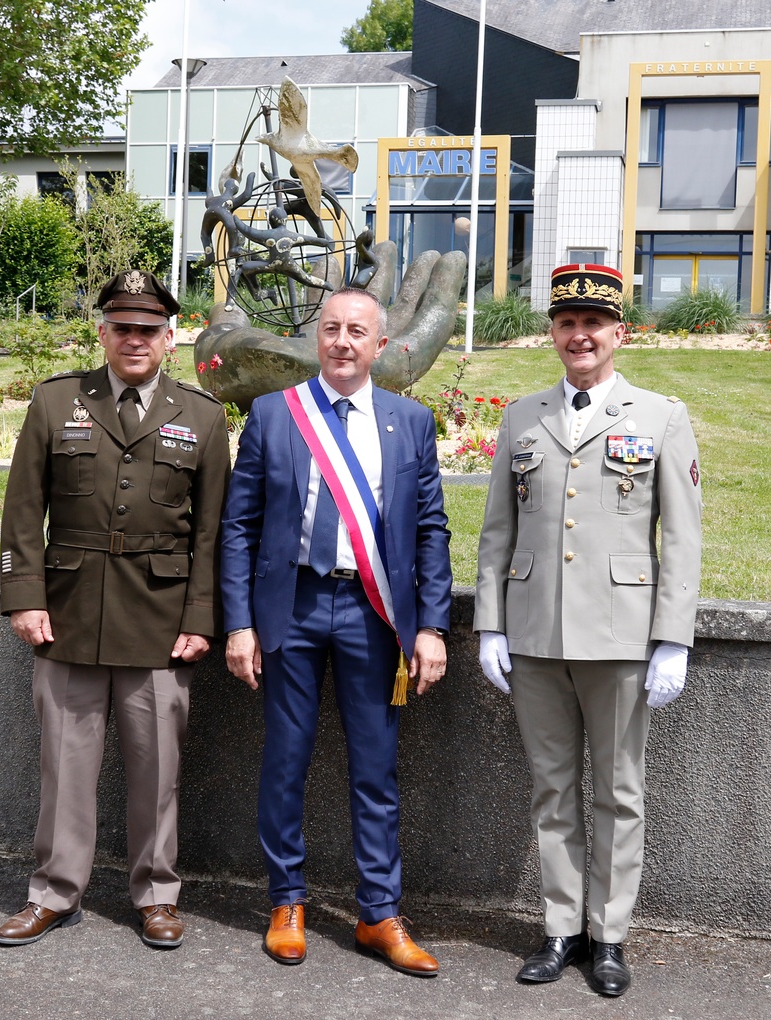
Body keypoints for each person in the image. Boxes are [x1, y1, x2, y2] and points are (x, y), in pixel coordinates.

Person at [473, 264, 702, 997]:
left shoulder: (659, 414)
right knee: (553, 791)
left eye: (593, 324)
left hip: (620, 636)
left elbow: (683, 539)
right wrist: (489, 625)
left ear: (618, 334)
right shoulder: (522, 415)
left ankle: (608, 937)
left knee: (618, 792)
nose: (579, 336)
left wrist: (673, 637)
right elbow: (497, 533)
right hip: (535, 635)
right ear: (553, 333)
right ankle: (561, 927)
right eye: (566, 323)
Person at [0, 269, 230, 950]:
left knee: (158, 770)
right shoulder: (55, 401)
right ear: (102, 332)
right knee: (65, 767)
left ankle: (156, 894)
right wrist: (25, 598)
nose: (134, 339)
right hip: (66, 615)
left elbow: (212, 531)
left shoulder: (203, 416)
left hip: (161, 621)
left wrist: (199, 617)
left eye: (147, 329)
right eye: (122, 327)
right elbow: (21, 512)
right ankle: (52, 892)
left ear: (169, 337)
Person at [221, 287, 451, 976]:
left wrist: (432, 627)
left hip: (373, 615)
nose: (343, 341)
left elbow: (431, 530)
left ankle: (379, 912)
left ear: (381, 346)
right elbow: (240, 527)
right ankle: (286, 900)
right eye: (331, 329)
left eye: (357, 331)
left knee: (376, 769)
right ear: (316, 339)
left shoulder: (410, 423)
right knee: (285, 760)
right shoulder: (273, 414)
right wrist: (238, 623)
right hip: (289, 605)